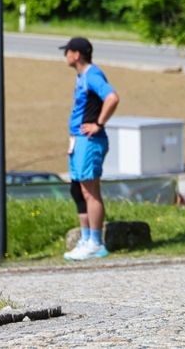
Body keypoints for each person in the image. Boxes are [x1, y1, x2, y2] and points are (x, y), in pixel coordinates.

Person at [60, 37, 120, 261]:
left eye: (67, 51)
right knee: (78, 189)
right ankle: (86, 239)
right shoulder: (82, 77)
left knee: (90, 190)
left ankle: (95, 241)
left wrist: (99, 124)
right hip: (79, 140)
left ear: (76, 54)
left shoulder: (93, 75)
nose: (65, 55)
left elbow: (112, 98)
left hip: (90, 141)